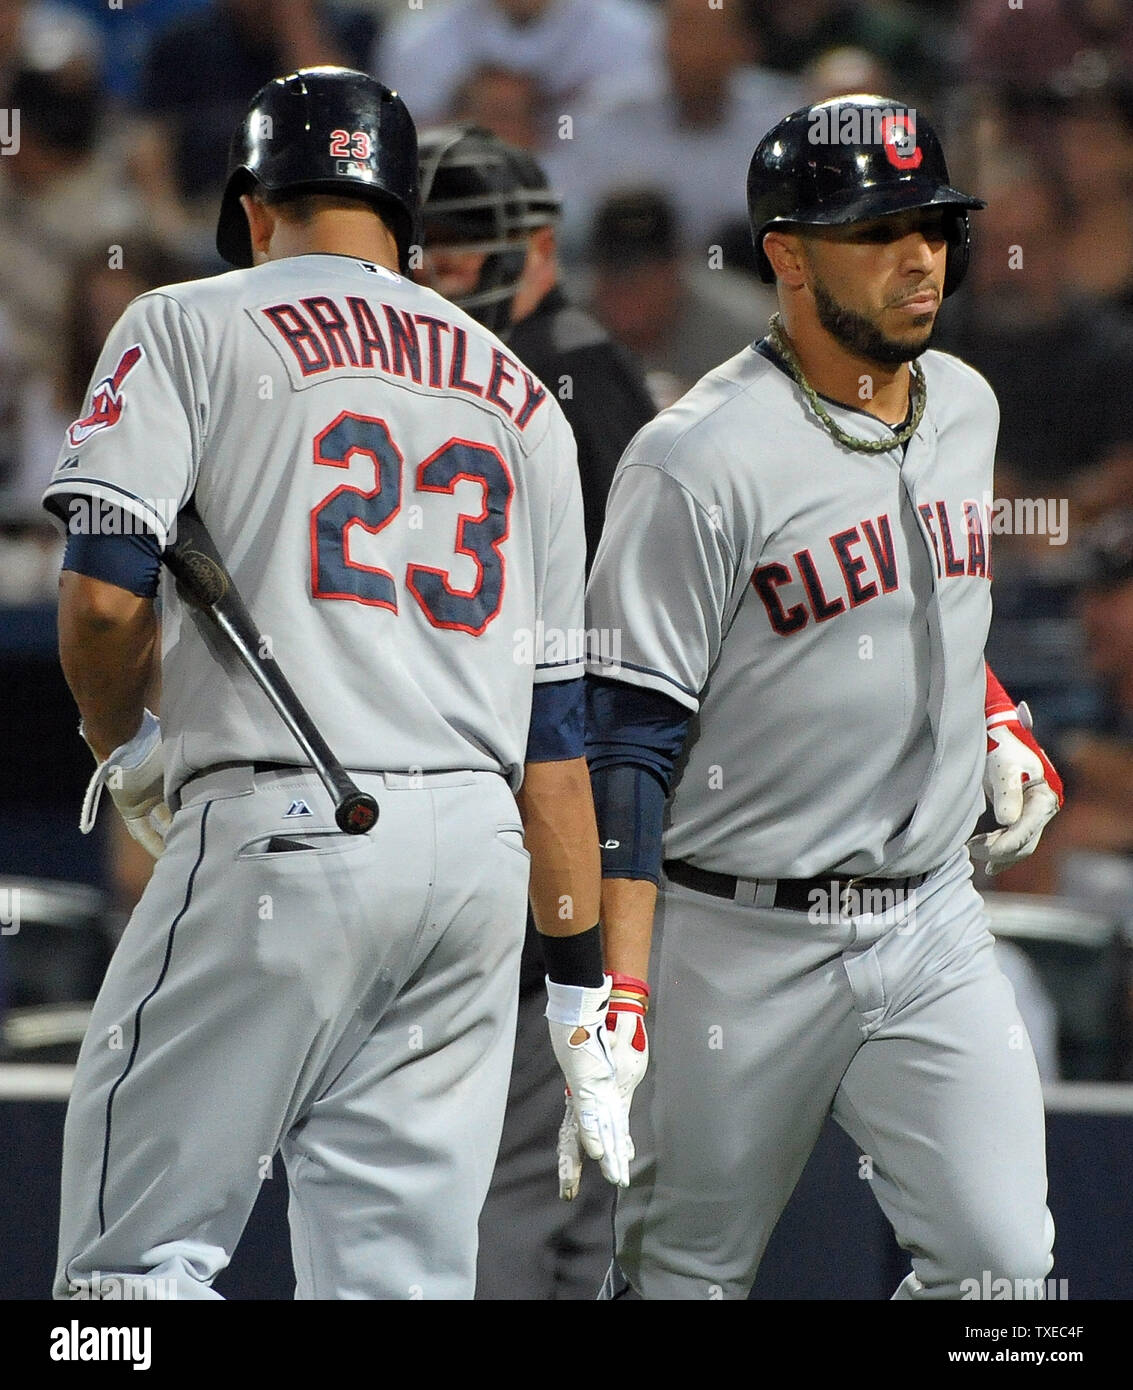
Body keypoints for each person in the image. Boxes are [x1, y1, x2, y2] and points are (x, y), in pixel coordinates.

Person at [43, 66, 628, 1301]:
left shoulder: (187, 320)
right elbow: (558, 742)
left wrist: (125, 746)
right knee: (396, 1288)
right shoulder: (524, 398)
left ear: (255, 207)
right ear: (406, 223)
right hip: (476, 867)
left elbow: (100, 599)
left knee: (129, 1277)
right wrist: (581, 1003)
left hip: (288, 823)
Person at [584, 94, 1065, 1300]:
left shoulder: (963, 401)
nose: (919, 257)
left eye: (932, 226)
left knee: (1006, 1275)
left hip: (931, 922)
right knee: (677, 1277)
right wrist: (621, 988)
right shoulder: (689, 461)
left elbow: (924, 606)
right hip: (733, 935)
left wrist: (996, 717)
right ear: (786, 255)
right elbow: (628, 737)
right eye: (877, 229)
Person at [415, 126, 655, 1297]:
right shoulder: (470, 373)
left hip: (574, 820)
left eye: (466, 244)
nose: (441, 267)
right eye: (430, 243)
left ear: (539, 246)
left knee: (537, 1190)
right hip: (508, 817)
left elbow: (626, 647)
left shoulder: (575, 371)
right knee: (531, 1188)